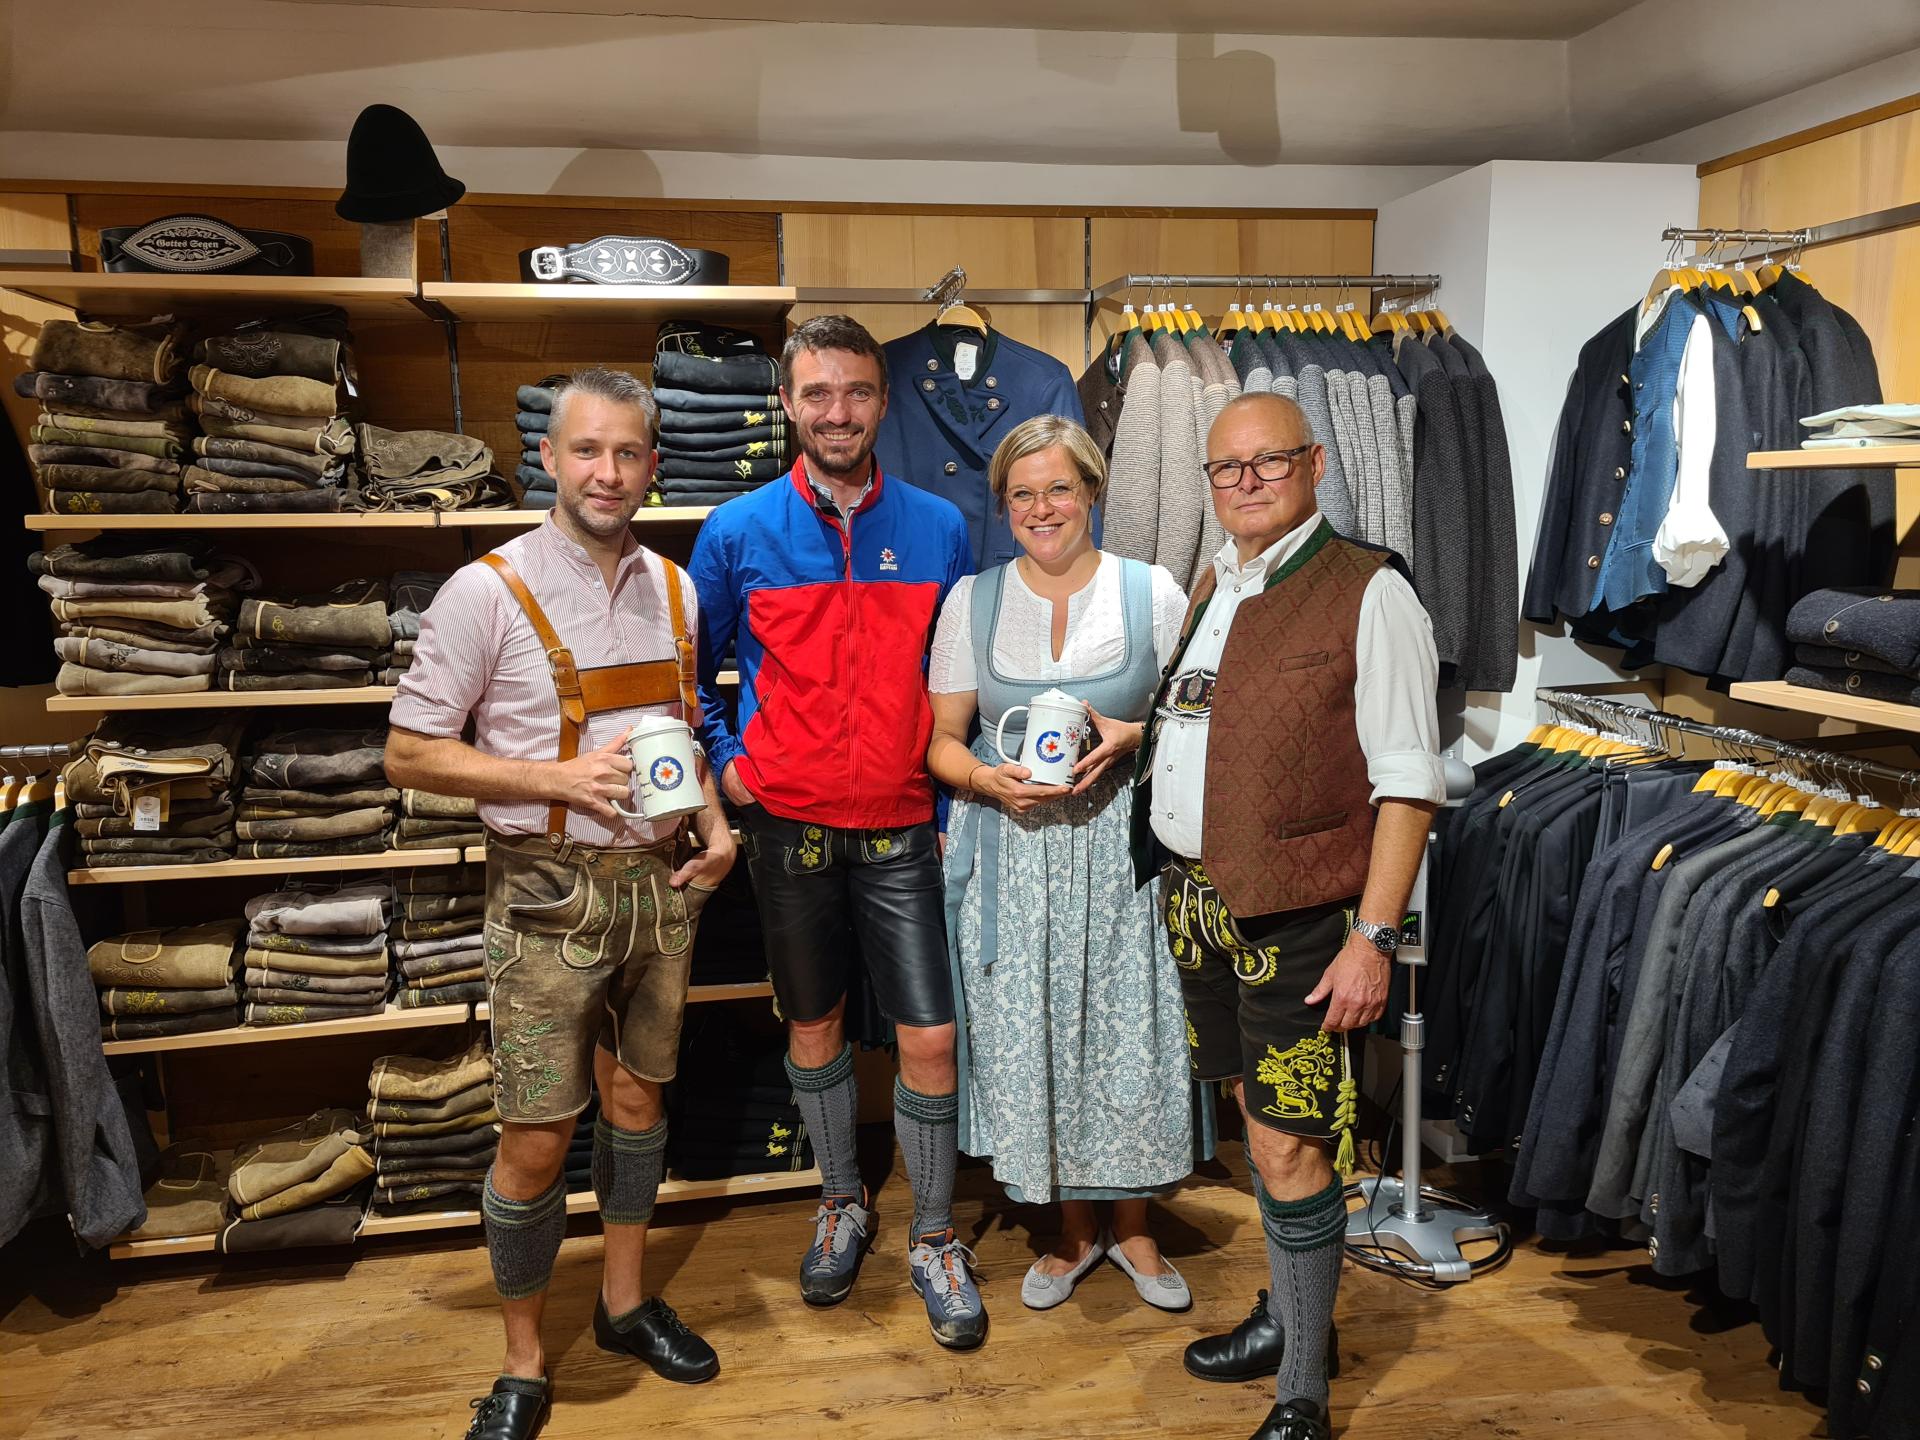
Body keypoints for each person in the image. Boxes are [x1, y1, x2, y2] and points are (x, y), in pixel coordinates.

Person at [386, 367, 736, 1440]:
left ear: (652, 465)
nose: (609, 473)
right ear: (550, 455)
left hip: (661, 887)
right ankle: (524, 1361)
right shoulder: (483, 591)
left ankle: (625, 1303)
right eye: (589, 450)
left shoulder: (677, 590)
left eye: (629, 453)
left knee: (639, 1107)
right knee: (536, 1138)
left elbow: (685, 734)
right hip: (544, 896)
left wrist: (717, 827)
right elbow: (406, 753)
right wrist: (554, 780)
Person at [1130, 393, 1444, 1440]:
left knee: (1294, 1149)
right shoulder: (1219, 580)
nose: (1248, 481)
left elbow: (1409, 784)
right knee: (1259, 1134)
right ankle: (1287, 1312)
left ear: (1313, 464)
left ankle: (1304, 1385)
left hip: (1304, 923)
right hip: (1203, 905)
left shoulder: (1370, 588)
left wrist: (1375, 936)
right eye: (1228, 468)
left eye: (1269, 462)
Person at [687, 316, 982, 1348]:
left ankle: (937, 1234)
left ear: (882, 400)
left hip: (905, 820)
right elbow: (698, 674)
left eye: (856, 391)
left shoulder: (943, 528)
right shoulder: (735, 532)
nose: (838, 412)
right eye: (817, 393)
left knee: (930, 1038)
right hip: (791, 828)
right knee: (812, 1030)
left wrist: (951, 806)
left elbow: (961, 686)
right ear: (787, 402)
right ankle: (841, 1202)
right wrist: (731, 762)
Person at [925, 414, 1200, 1313]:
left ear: (1091, 491)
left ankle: (1135, 1224)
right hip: (1013, 853)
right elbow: (941, 742)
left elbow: (1196, 724)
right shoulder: (973, 600)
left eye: (1059, 488)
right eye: (1022, 494)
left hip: (1122, 850)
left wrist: (1135, 736)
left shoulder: (1151, 591)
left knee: (1129, 1033)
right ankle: (1073, 1229)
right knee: (1041, 1031)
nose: (1043, 508)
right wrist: (990, 783)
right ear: (1003, 507)